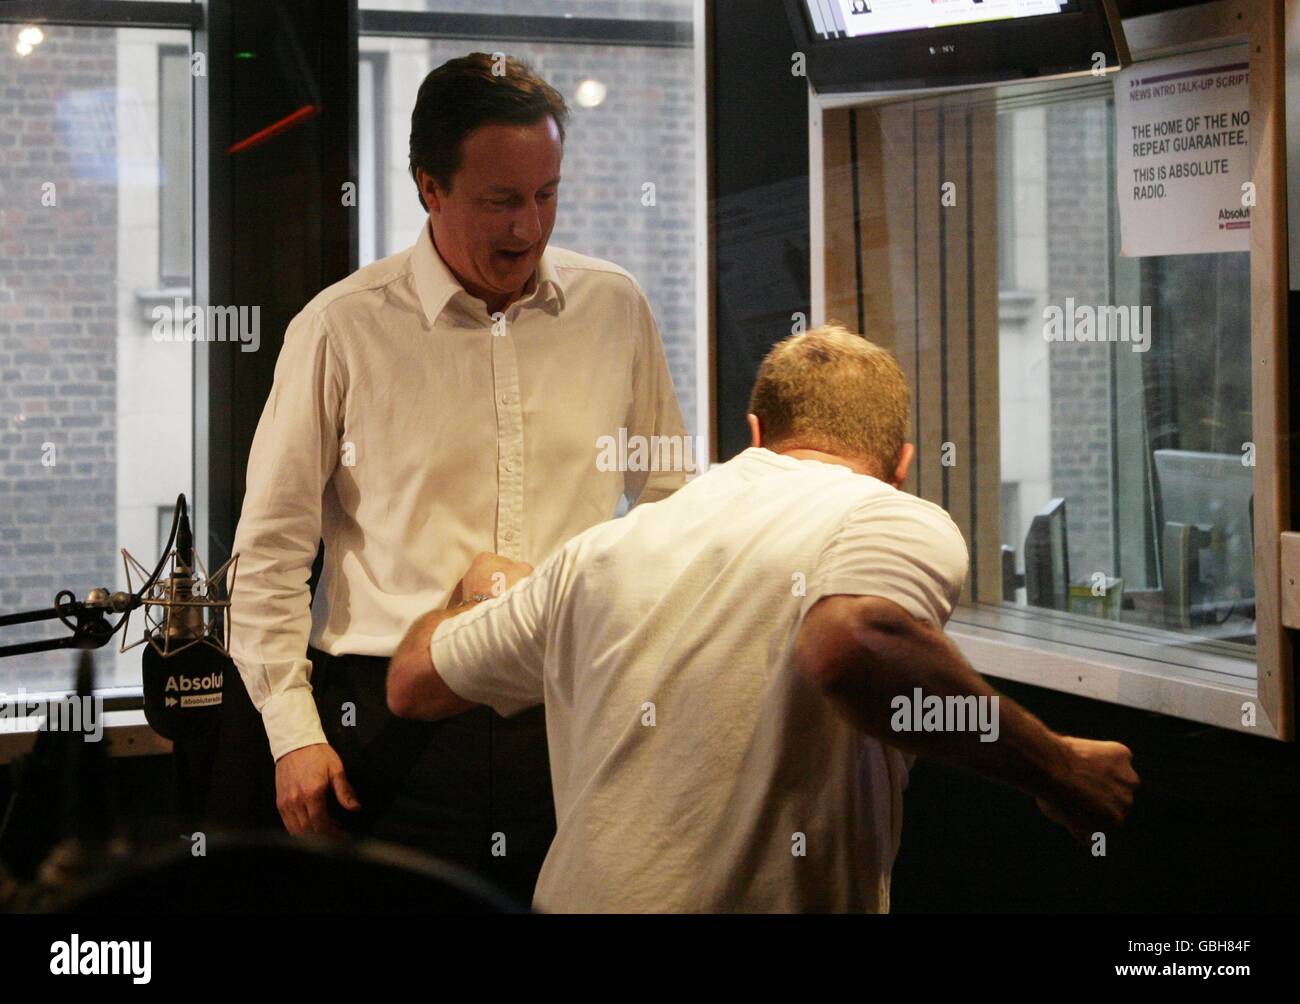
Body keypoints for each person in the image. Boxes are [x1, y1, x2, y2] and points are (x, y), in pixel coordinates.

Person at [386, 323, 1139, 912]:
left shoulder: (603, 551)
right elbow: (852, 644)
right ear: (903, 460)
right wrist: (1059, 769)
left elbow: (413, 681)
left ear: (753, 435)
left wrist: (483, 590)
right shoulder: (891, 517)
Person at [225, 52, 687, 901]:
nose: (529, 228)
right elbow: (270, 555)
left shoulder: (614, 306)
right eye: (500, 201)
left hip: (570, 712)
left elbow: (671, 505)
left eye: (546, 193)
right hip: (394, 734)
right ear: (429, 187)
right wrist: (293, 734)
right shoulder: (339, 331)